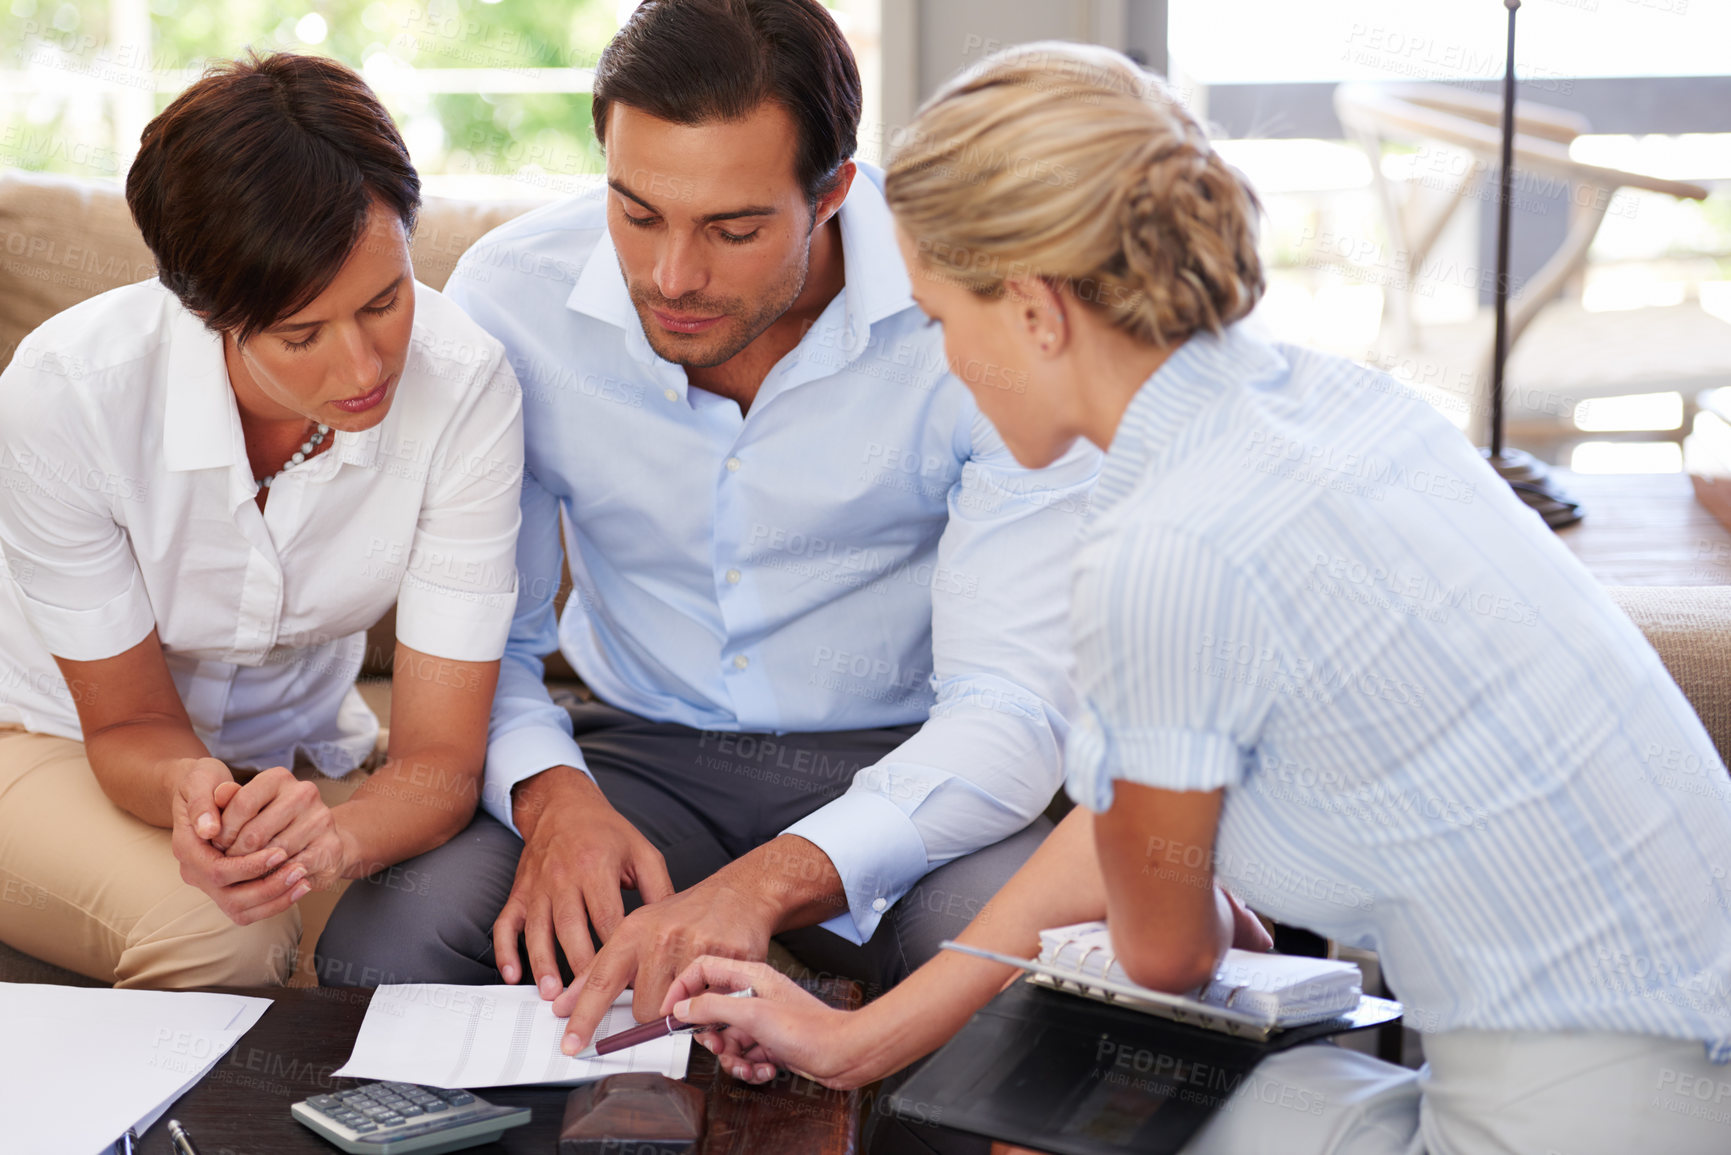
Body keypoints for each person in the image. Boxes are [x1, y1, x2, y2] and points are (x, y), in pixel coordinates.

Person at [662, 43, 1731, 1155]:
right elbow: (1127, 827)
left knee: (1067, 1119)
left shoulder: (1161, 545)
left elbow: (1167, 944)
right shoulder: (1339, 405)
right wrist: (860, 1042)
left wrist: (1190, 895)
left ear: (1033, 309)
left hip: (1590, 1113)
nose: (950, 366)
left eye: (940, 323)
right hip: (1678, 1062)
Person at [316, 0, 1097, 1066]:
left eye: (733, 230)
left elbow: (1010, 707)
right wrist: (554, 802)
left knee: (1029, 987)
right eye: (636, 213)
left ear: (833, 193)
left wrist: (759, 886)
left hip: (912, 765)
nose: (672, 276)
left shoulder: (973, 317)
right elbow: (485, 642)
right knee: (395, 936)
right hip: (638, 759)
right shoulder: (516, 298)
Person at [0, 53, 525, 989]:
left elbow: (440, 758)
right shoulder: (67, 398)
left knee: (417, 948)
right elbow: (127, 728)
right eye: (300, 334)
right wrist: (190, 793)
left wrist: (330, 840)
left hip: (301, 763)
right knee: (223, 935)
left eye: (384, 300)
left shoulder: (466, 383)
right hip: (53, 742)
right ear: (206, 311)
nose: (364, 367)